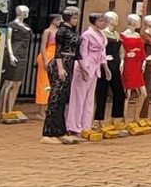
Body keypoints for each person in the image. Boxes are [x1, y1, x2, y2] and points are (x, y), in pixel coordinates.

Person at [41, 8, 80, 144]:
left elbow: (77, 53)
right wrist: (60, 68)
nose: (76, 20)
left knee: (62, 99)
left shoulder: (72, 31)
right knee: (55, 98)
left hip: (69, 64)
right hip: (60, 64)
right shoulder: (62, 31)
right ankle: (48, 133)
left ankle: (60, 131)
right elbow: (58, 52)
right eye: (74, 18)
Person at [67, 13, 107, 137]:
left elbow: (102, 52)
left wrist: (105, 66)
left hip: (95, 68)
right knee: (78, 98)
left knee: (89, 99)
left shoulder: (102, 34)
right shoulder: (86, 35)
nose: (102, 23)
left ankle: (85, 126)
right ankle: (73, 126)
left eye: (103, 21)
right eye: (100, 21)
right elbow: (82, 54)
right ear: (94, 21)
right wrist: (84, 70)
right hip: (85, 67)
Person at [35, 13, 60, 110]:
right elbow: (43, 47)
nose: (59, 21)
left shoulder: (59, 31)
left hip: (55, 56)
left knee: (52, 82)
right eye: (57, 19)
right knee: (43, 82)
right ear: (52, 20)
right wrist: (45, 61)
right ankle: (41, 108)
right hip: (47, 55)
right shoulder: (47, 31)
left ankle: (48, 106)